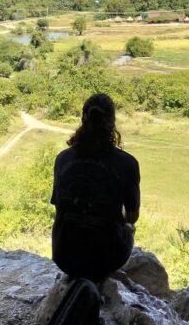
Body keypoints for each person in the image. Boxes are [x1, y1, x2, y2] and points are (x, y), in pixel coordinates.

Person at [50, 93, 140, 282]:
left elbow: (61, 207)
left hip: (64, 256)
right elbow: (132, 216)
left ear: (83, 118)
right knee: (129, 227)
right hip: (107, 259)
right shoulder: (127, 163)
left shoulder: (63, 158)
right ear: (112, 122)